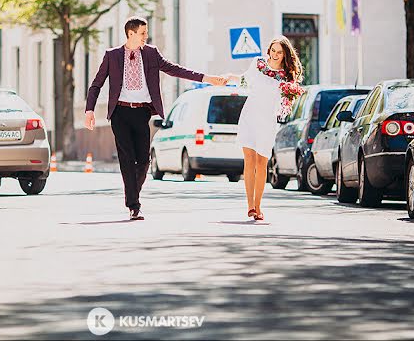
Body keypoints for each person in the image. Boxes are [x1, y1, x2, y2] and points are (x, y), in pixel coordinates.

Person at [85, 16, 228, 220]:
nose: (146, 36)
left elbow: (175, 69)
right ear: (131, 33)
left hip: (142, 112)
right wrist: (89, 110)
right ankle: (134, 205)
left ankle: (133, 195)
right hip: (120, 113)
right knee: (127, 159)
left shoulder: (151, 54)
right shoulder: (112, 56)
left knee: (143, 161)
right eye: (143, 33)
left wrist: (207, 79)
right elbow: (96, 84)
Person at [226, 36, 303, 221]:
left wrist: (290, 94)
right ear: (268, 50)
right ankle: (250, 206)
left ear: (285, 55)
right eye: (273, 50)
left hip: (267, 121)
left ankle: (259, 206)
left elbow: (287, 103)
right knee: (249, 161)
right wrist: (230, 78)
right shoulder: (258, 63)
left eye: (279, 52)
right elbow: (245, 81)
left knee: (262, 163)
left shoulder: (287, 76)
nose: (275, 55)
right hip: (249, 115)